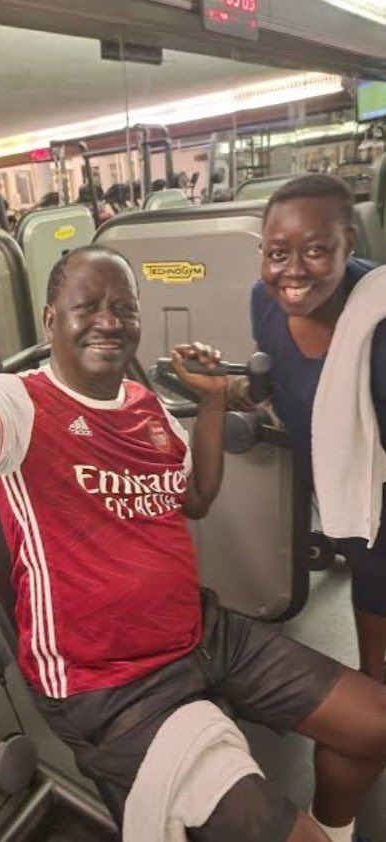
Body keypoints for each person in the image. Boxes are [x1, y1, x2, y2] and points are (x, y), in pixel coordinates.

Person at [0, 188, 386, 842]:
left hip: (202, 634)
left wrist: (208, 405)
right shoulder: (19, 405)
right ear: (48, 320)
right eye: (86, 306)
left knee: (374, 725)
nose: (108, 321)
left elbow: (196, 499)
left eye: (123, 307)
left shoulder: (145, 409)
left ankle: (335, 825)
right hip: (113, 685)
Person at [237, 174, 386, 685]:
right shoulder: (264, 300)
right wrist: (228, 390)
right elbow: (277, 385)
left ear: (350, 243)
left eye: (317, 250)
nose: (293, 270)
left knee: (377, 576)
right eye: (278, 253)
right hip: (326, 474)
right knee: (369, 573)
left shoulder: (379, 320)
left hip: (377, 484)